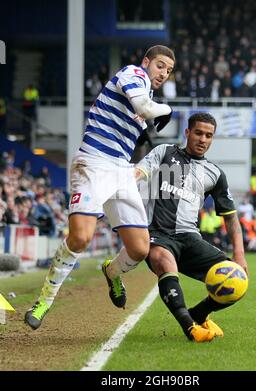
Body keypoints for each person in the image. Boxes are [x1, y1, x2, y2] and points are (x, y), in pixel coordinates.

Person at [24, 45, 175, 330]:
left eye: (168, 70)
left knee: (141, 248)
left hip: (122, 170)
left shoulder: (148, 94)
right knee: (81, 238)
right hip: (93, 162)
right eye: (160, 65)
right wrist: (167, 109)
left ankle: (112, 271)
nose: (164, 73)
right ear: (146, 62)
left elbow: (139, 118)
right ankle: (44, 300)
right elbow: (144, 108)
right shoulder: (133, 74)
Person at [130, 112, 248, 342]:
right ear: (187, 132)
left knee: (239, 280)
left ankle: (198, 314)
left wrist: (240, 255)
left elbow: (231, 218)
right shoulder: (165, 152)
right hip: (158, 234)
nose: (203, 139)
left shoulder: (215, 173)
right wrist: (127, 182)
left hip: (190, 239)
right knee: (164, 262)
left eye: (209, 135)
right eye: (198, 133)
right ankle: (190, 328)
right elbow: (140, 172)